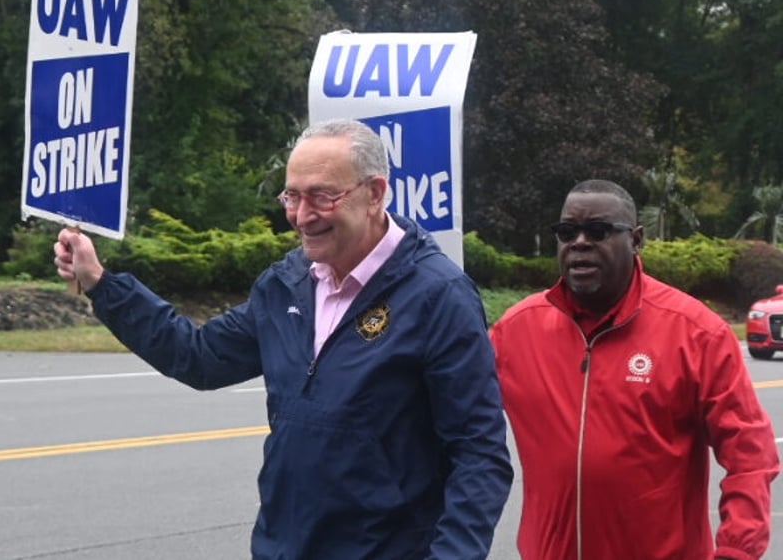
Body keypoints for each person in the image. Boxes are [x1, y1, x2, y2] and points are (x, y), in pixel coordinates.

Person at [54, 118, 513, 559]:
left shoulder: (438, 296)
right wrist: (100, 282)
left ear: (374, 194)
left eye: (321, 197)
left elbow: (479, 454)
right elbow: (199, 358)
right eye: (292, 197)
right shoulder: (285, 284)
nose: (302, 216)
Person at [491, 179, 780, 560]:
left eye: (598, 231)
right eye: (567, 231)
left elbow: (751, 455)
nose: (579, 242)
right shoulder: (515, 332)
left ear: (637, 239)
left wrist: (736, 551)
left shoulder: (696, 333)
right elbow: (456, 429)